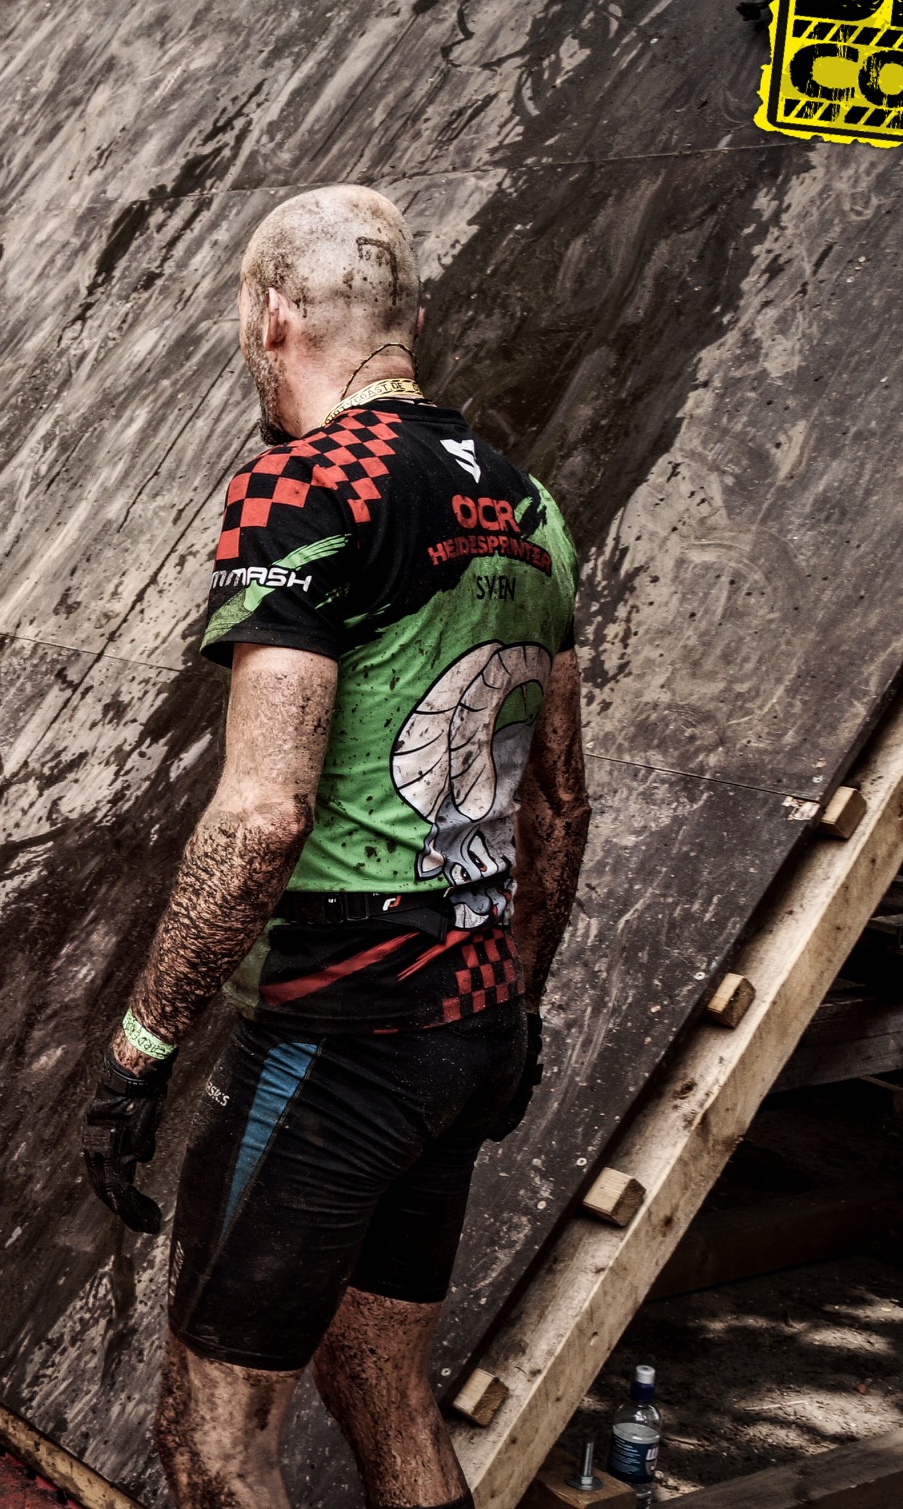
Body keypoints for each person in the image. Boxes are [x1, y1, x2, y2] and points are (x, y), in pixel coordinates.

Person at [79, 186, 589, 1509]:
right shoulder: (532, 506)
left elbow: (262, 816)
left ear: (272, 316)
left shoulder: (305, 484)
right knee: (381, 1385)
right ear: (407, 319)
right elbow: (558, 807)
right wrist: (518, 1001)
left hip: (339, 1031)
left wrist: (140, 1047)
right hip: (469, 1022)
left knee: (212, 1443)